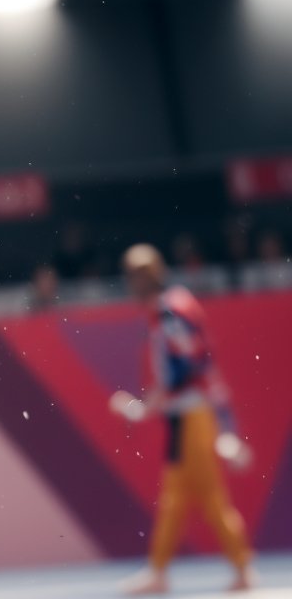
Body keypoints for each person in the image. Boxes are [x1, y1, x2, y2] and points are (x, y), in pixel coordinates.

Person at [109, 243, 255, 594]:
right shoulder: (169, 309)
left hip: (191, 416)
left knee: (206, 498)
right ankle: (162, 571)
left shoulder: (169, 312)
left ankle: (240, 568)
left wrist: (142, 408)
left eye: (138, 275)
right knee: (177, 500)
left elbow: (185, 367)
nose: (133, 283)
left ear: (151, 275)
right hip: (185, 417)